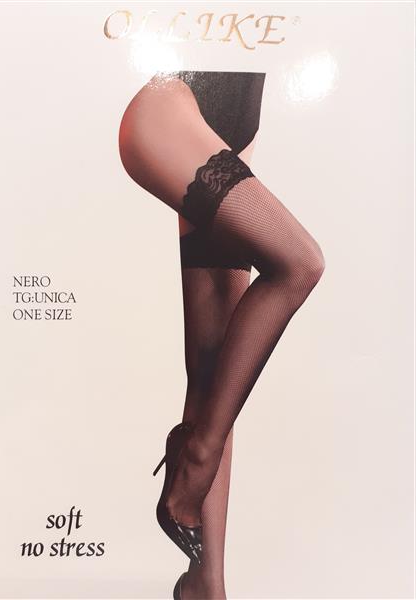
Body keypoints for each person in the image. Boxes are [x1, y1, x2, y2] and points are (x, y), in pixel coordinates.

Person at [118, 70, 325, 600]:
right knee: (299, 263)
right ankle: (195, 457)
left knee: (217, 373)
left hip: (220, 131)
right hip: (163, 107)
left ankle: (205, 586)